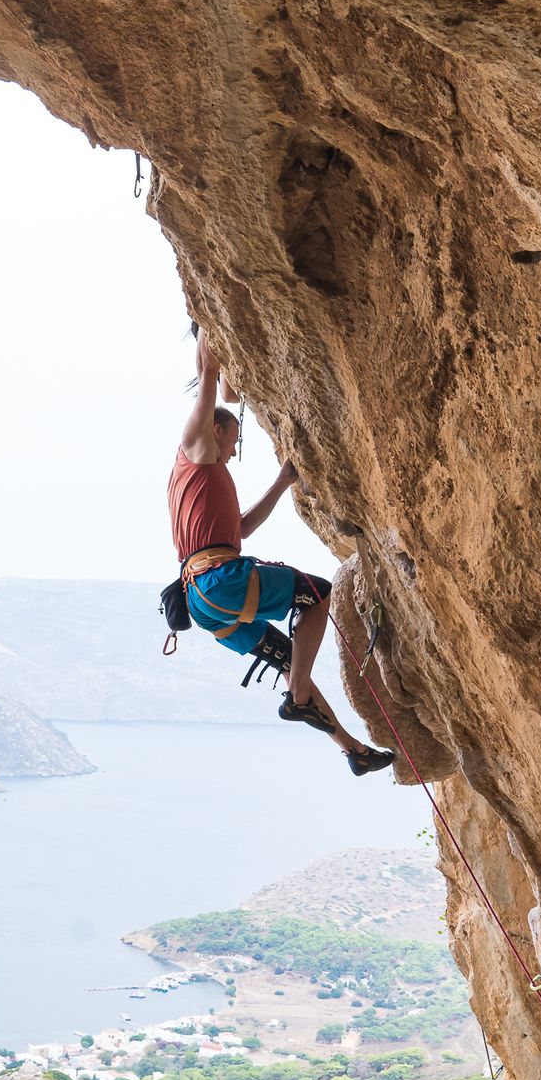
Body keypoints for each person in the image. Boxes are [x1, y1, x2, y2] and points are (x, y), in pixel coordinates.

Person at [170, 331, 395, 776]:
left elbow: (244, 529)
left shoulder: (202, 486)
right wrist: (206, 324)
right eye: (233, 440)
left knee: (297, 662)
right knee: (319, 593)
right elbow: (209, 372)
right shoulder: (196, 450)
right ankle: (296, 699)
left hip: (202, 599)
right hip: (221, 580)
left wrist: (283, 481)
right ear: (215, 430)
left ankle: (352, 749)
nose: (233, 451)